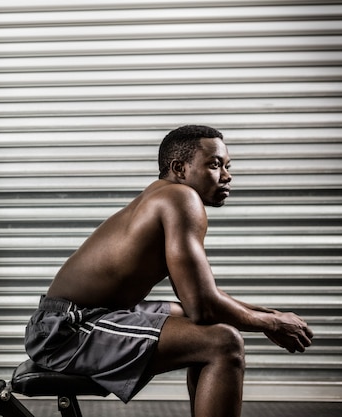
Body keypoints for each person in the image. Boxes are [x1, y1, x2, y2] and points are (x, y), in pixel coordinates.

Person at [24, 125, 314, 417]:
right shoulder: (180, 199)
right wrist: (272, 324)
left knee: (184, 315)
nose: (227, 175)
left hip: (69, 319)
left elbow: (199, 297)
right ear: (180, 168)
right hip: (64, 331)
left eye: (227, 166)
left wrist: (270, 314)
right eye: (214, 165)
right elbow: (204, 307)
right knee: (224, 343)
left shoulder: (163, 196)